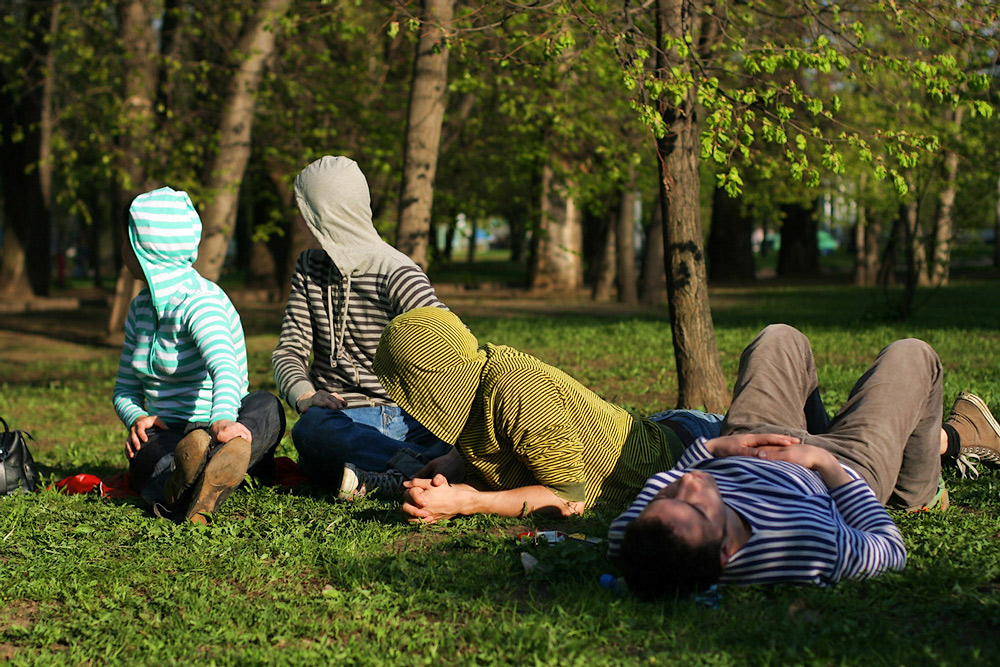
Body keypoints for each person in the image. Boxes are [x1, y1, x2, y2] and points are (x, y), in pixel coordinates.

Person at [607, 323, 975, 599]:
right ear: (725, 554)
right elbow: (891, 550)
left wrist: (714, 450)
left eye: (666, 498)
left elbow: (629, 525)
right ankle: (917, 492)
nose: (686, 483)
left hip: (751, 439)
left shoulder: (642, 541)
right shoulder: (805, 548)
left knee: (778, 337)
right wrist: (824, 464)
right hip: (843, 467)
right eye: (698, 509)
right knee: (912, 353)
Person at [371, 306, 724, 523]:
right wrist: (457, 461)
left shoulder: (518, 391)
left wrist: (469, 501)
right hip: (656, 427)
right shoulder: (476, 383)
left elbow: (569, 500)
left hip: (693, 444)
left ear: (430, 385)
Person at [271, 156, 451, 498]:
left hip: (409, 420)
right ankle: (421, 473)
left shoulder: (398, 273)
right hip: (343, 421)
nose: (301, 219)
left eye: (305, 209)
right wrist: (306, 397)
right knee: (310, 430)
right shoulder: (309, 269)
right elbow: (289, 350)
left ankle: (391, 475)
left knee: (453, 438)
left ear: (327, 212)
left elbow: (451, 349)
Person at [113, 187, 285, 523]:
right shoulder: (139, 310)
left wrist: (222, 419)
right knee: (145, 453)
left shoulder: (200, 301)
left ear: (143, 248)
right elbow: (124, 388)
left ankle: (205, 470)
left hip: (224, 419)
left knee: (265, 406)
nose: (122, 251)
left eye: (126, 241)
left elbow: (225, 367)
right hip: (172, 433)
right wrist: (136, 418)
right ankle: (191, 476)